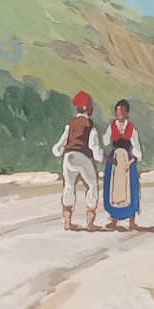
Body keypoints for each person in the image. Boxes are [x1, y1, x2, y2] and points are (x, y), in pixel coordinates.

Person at [52, 91, 102, 231]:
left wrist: (58, 152)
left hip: (68, 157)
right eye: (90, 105)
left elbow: (61, 143)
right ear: (86, 107)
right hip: (82, 157)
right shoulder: (90, 125)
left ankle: (67, 222)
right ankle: (90, 222)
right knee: (92, 185)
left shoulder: (70, 124)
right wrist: (99, 157)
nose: (92, 107)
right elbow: (93, 145)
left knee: (68, 186)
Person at [102, 98, 141, 231]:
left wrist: (130, 163)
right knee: (113, 188)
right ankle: (114, 219)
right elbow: (105, 141)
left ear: (127, 112)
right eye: (117, 111)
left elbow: (137, 149)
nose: (119, 113)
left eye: (122, 111)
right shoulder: (112, 126)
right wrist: (108, 157)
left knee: (130, 188)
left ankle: (131, 221)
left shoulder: (131, 128)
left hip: (126, 159)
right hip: (115, 160)